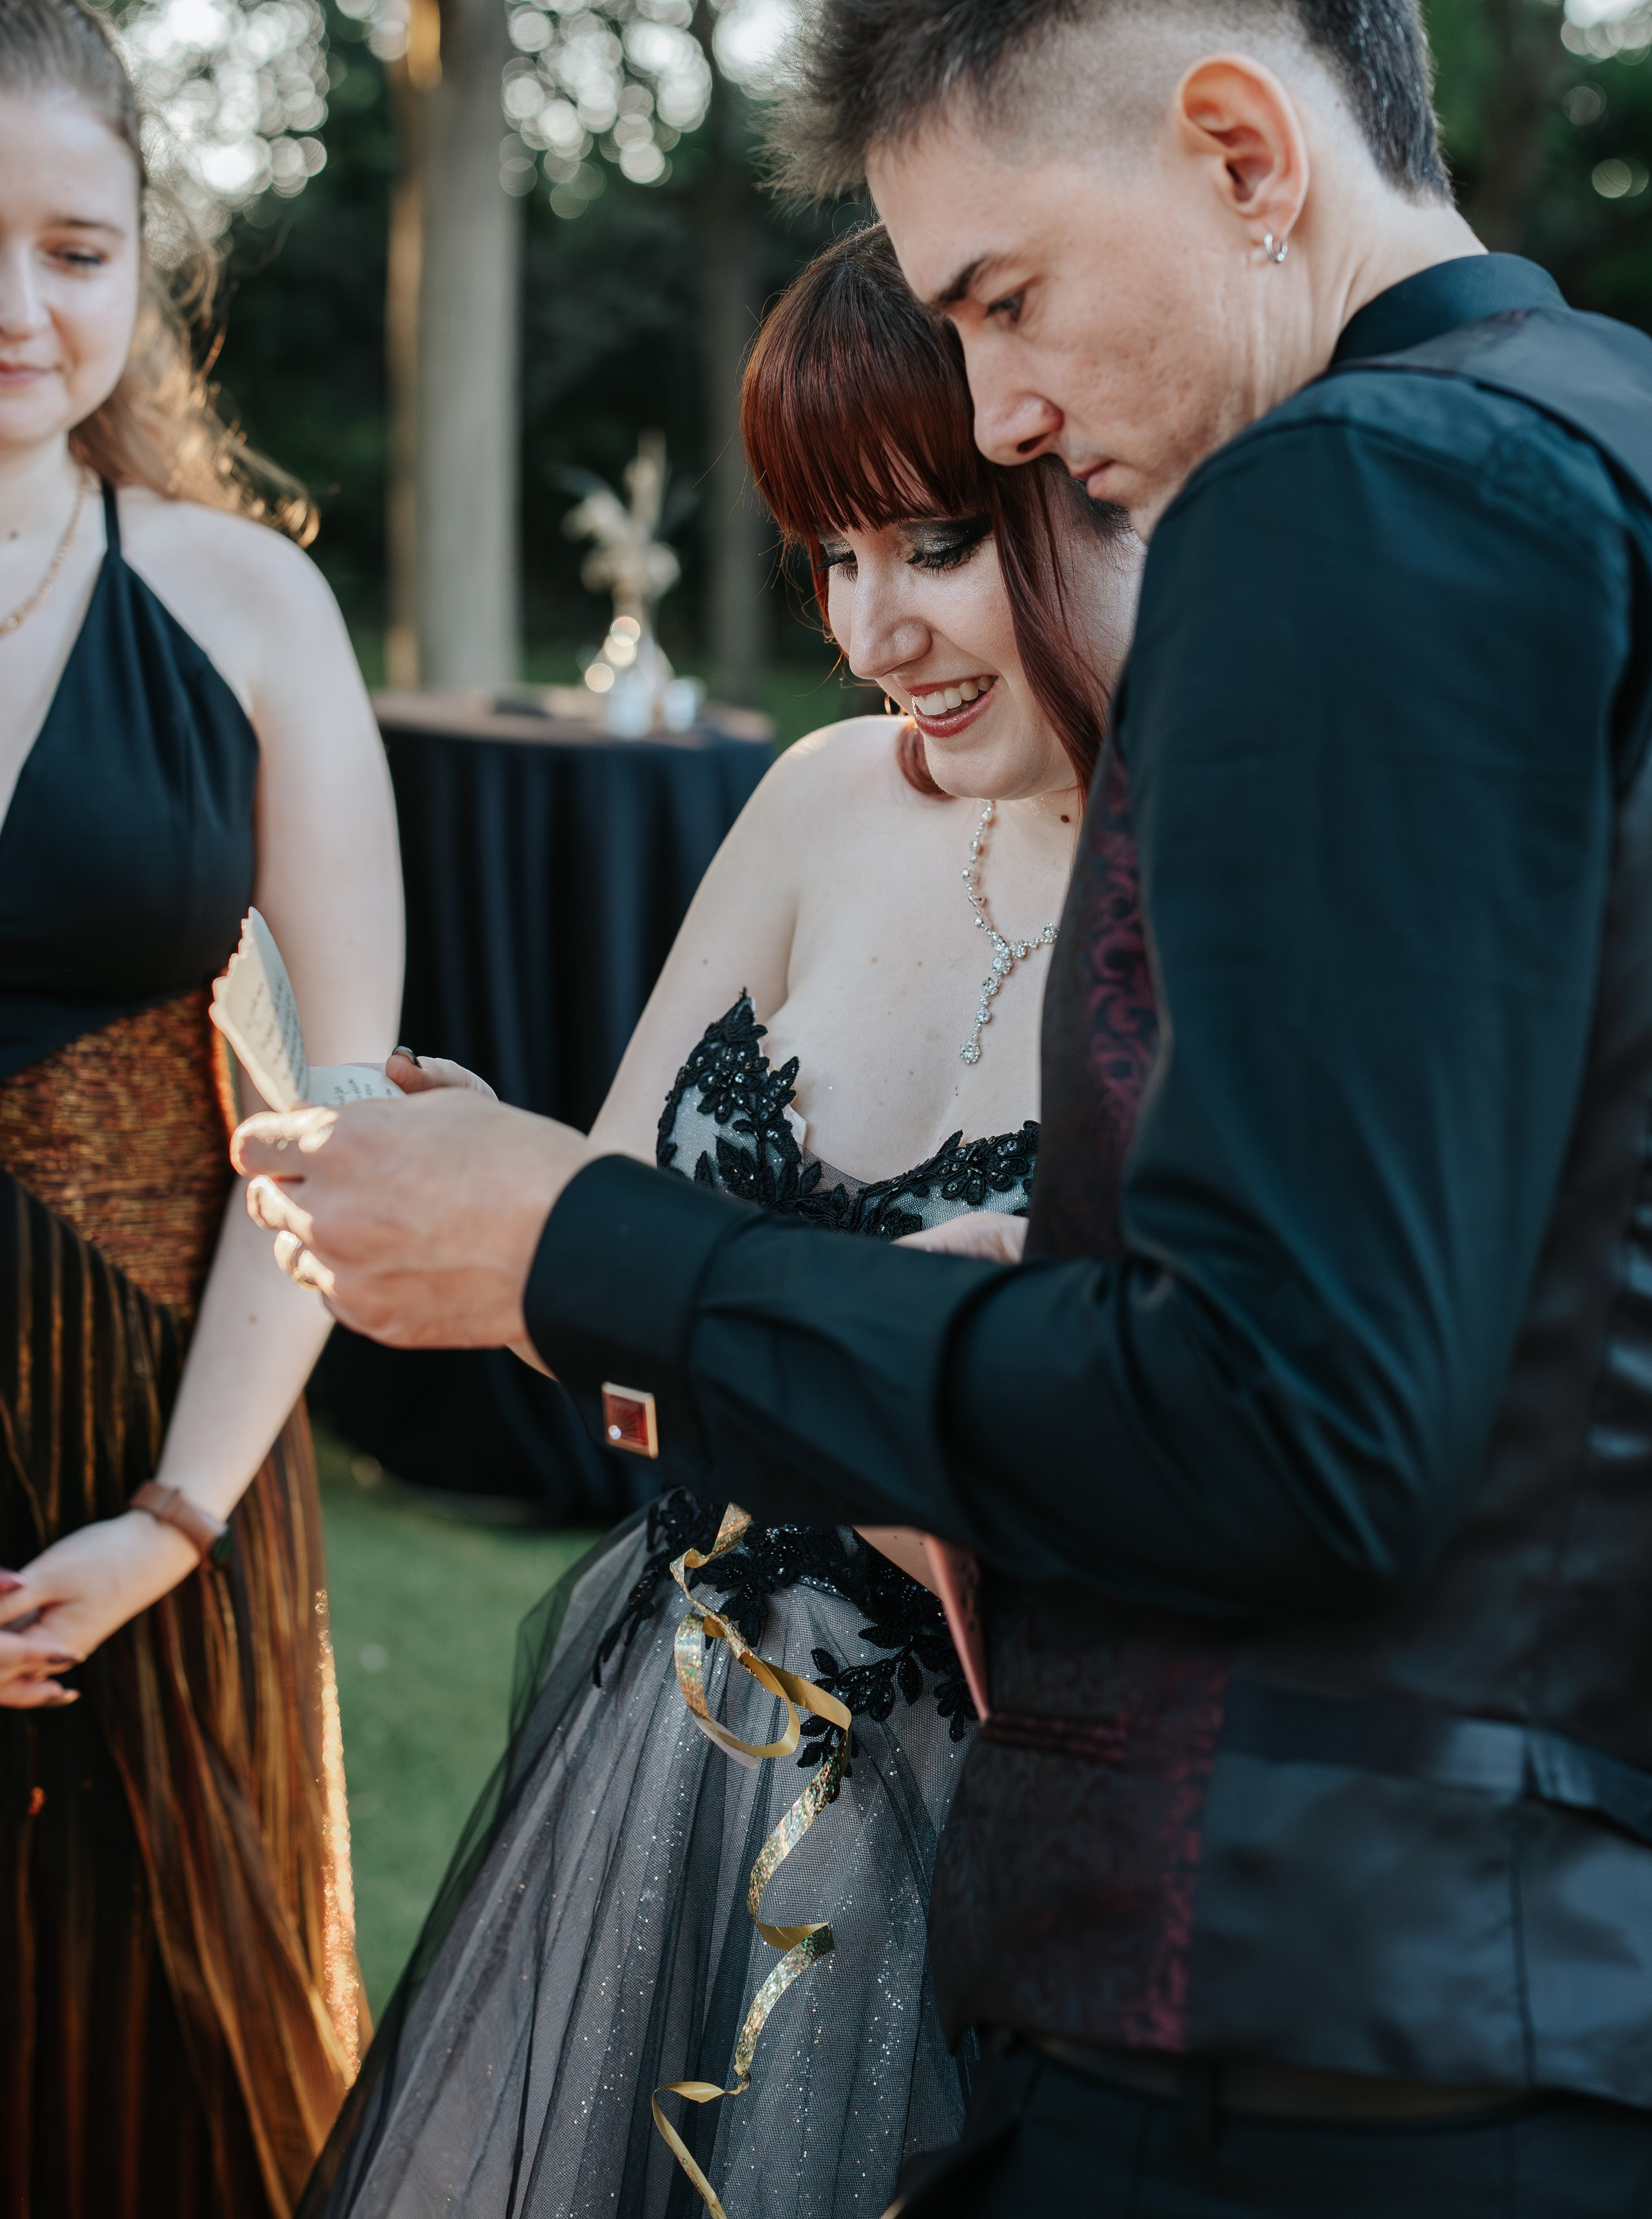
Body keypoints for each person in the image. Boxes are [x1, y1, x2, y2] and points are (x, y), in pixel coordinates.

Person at [237, 0, 1652, 2217]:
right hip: (1565, 1996)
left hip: (1288, 2048)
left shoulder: (1345, 498)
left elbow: (1284, 1429)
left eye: (1005, 300)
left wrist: (571, 1248)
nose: (1007, 409)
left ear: (1246, 156)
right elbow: (1470, 1323)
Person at [297, 223, 1141, 2218]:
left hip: (1000, 1841)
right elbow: (584, 1275)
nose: (872, 633)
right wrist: (483, 1176)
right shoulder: (812, 801)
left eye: (931, 542)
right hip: (672, 1758)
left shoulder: (1221, 880)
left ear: (1085, 473)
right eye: (826, 558)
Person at [0, 0, 403, 2216]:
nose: (22, 307)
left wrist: (166, 1525)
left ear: (148, 266)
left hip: (157, 1458)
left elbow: (343, 1105)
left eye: (76, 248)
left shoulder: (248, 609)